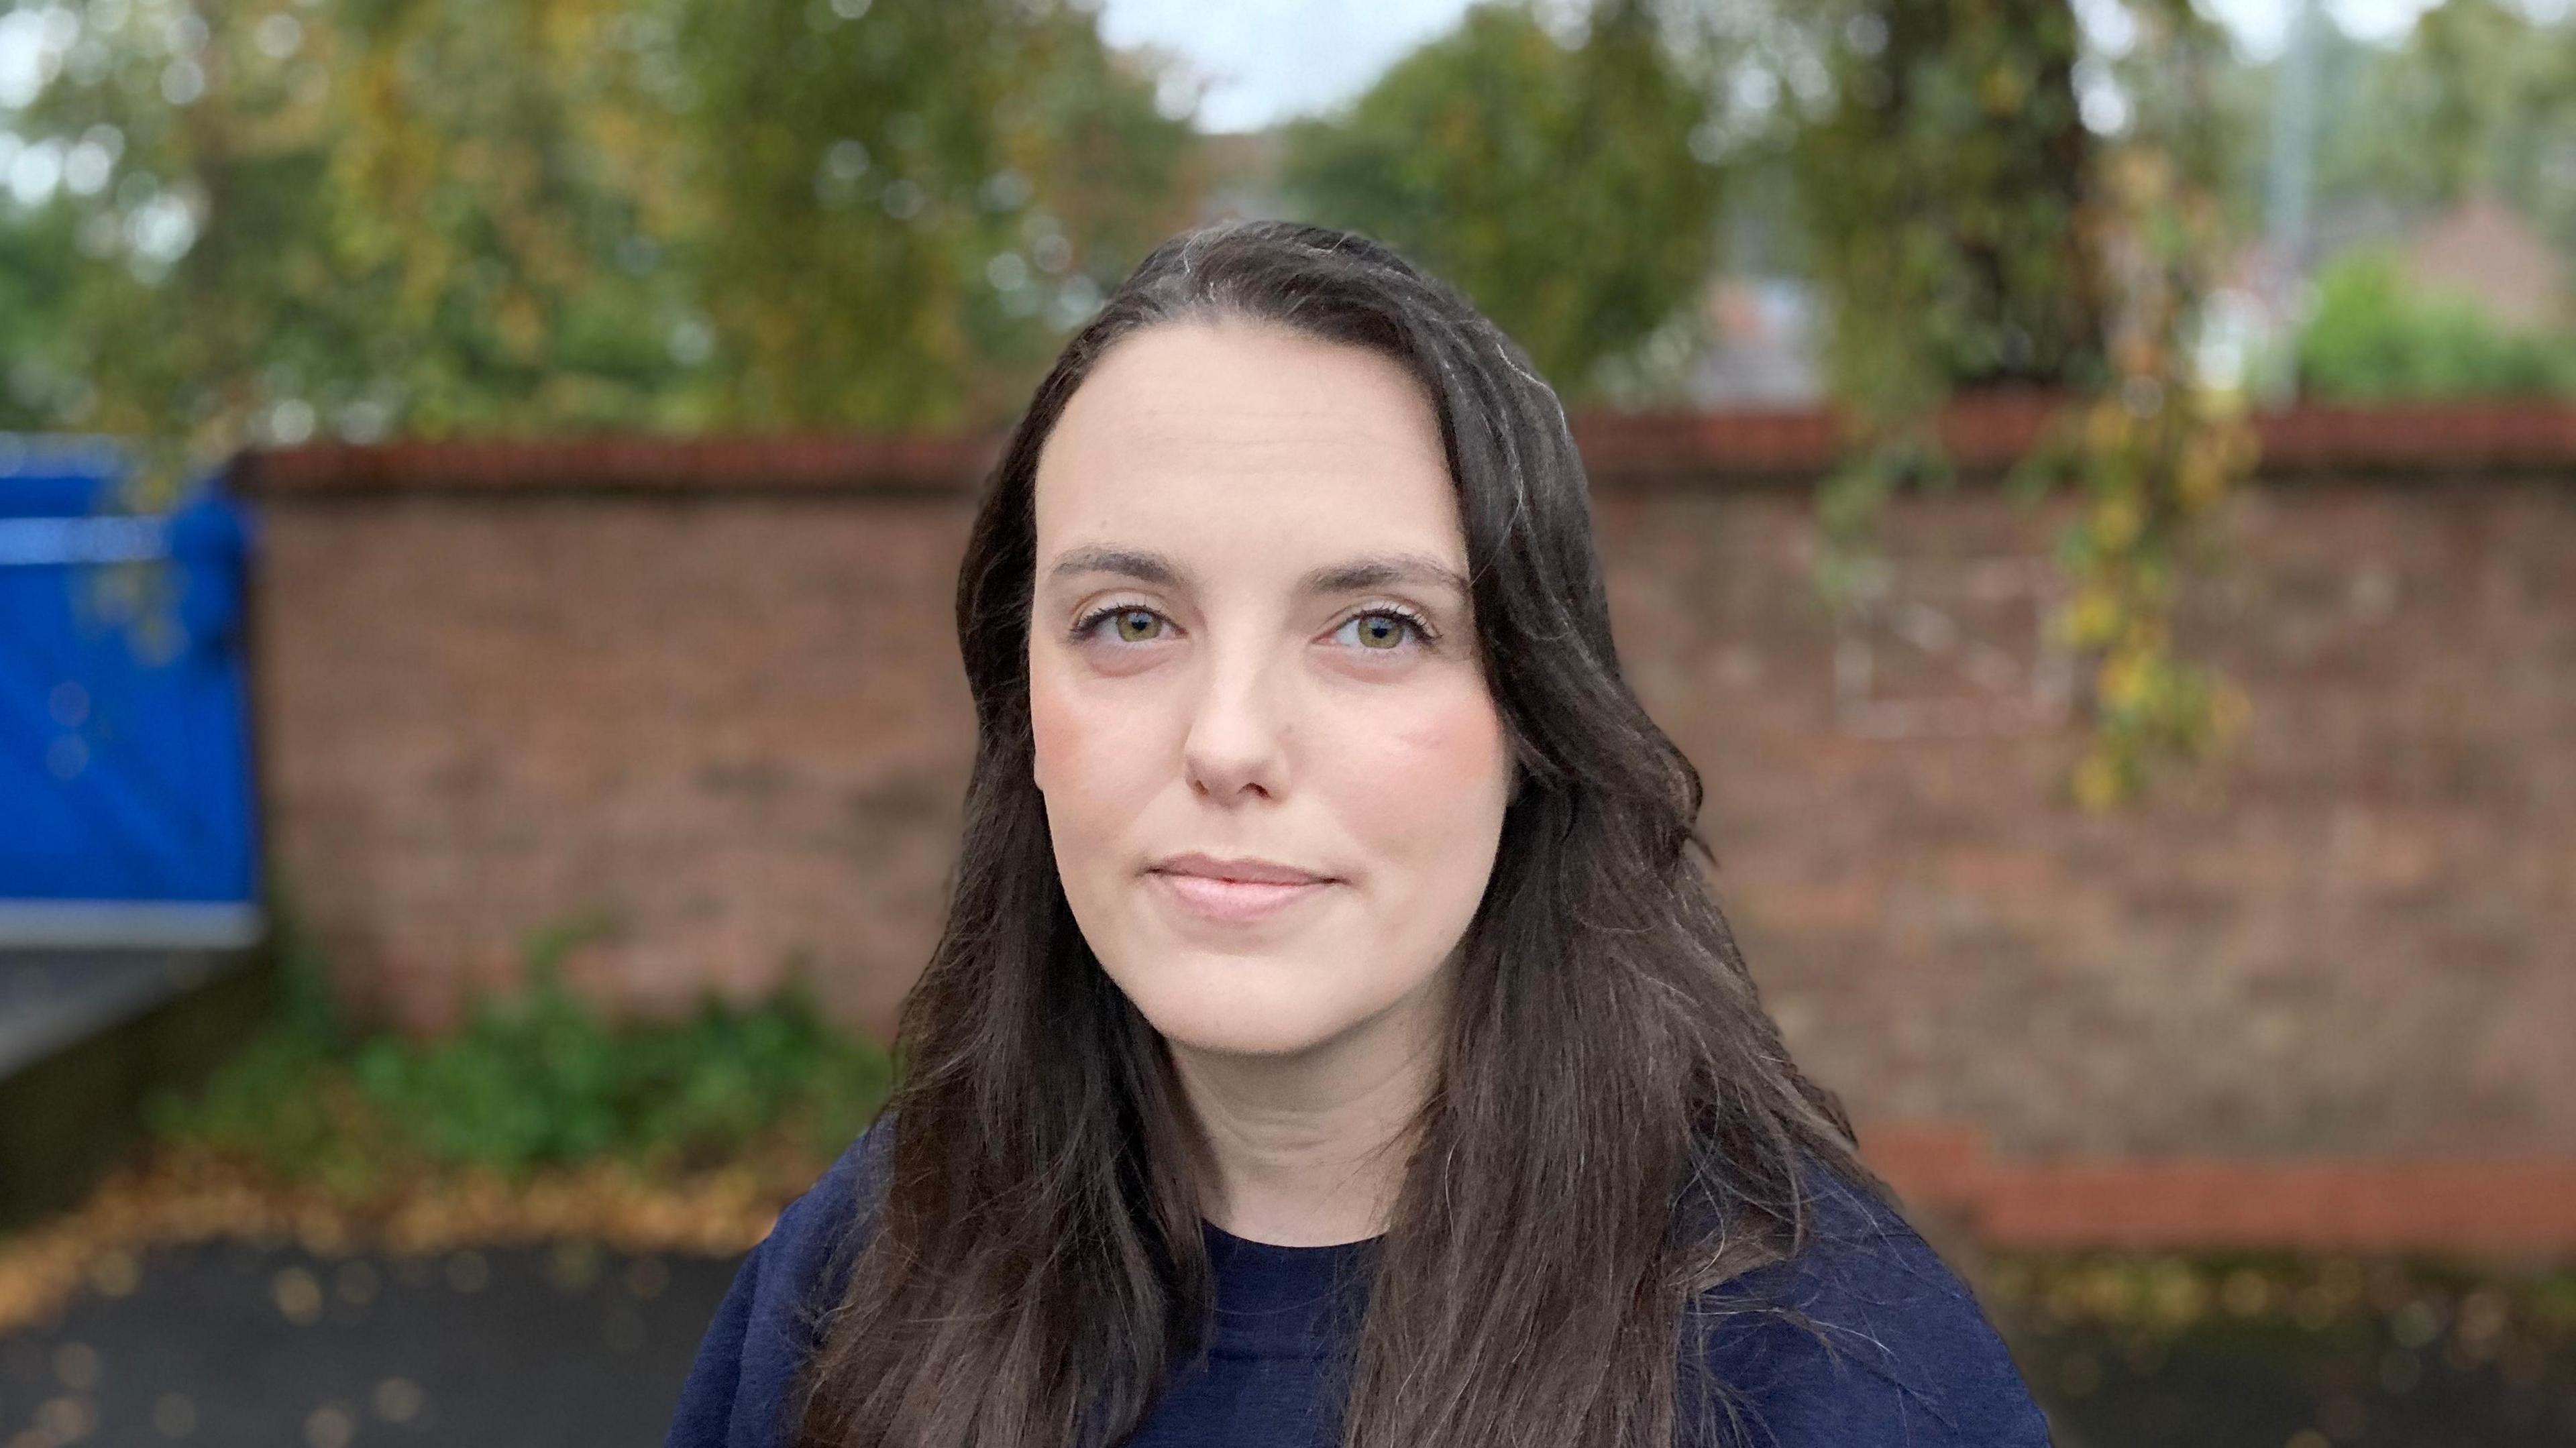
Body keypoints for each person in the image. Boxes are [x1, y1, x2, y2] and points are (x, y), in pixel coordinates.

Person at [664, 219, 2054, 1448]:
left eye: (1376, 629)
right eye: (1129, 623)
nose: (1227, 744)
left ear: (1533, 716)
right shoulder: (866, 1277)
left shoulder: (1827, 1381)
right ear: (1021, 702)